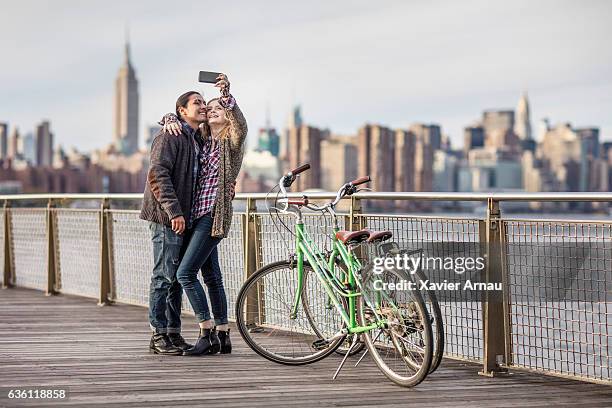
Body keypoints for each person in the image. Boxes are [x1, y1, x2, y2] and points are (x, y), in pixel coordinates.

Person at [161, 74, 247, 356]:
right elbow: (181, 122)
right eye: (208, 109)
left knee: (185, 273)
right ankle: (223, 335)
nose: (211, 112)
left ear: (227, 116)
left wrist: (226, 96)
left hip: (213, 215)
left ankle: (206, 331)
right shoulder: (201, 140)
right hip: (196, 216)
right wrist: (169, 118)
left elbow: (241, 127)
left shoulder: (231, 144)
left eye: (217, 110)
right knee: (211, 276)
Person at [140, 90, 208, 354]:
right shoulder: (170, 135)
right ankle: (158, 335)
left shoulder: (194, 138)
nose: (202, 106)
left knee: (177, 279)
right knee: (163, 277)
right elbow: (157, 174)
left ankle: (173, 333)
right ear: (182, 110)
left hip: (183, 218)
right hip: (167, 218)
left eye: (204, 102)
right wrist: (174, 212)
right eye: (197, 103)